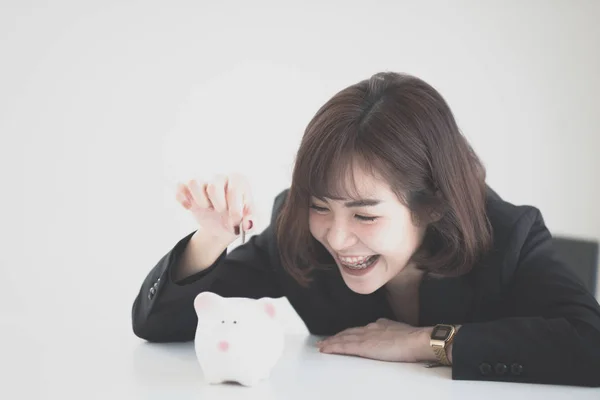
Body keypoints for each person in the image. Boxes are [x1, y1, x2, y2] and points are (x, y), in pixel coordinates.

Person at [131, 71, 600, 387]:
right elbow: (158, 324)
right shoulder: (297, 230)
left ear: (432, 204)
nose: (335, 237)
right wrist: (212, 235)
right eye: (320, 206)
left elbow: (591, 346)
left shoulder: (510, 236)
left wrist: (428, 342)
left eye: (365, 215)